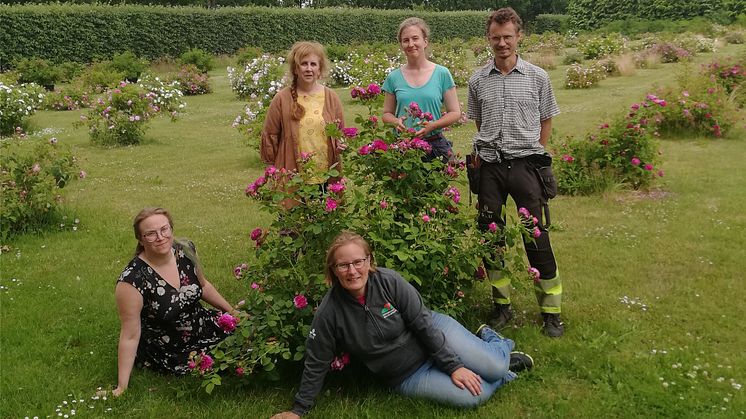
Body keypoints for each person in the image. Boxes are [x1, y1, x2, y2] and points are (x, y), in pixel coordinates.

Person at [271, 231, 533, 418]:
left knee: (495, 365)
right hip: (408, 375)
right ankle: (498, 373)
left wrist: (452, 366)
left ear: (369, 261)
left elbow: (422, 323)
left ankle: (495, 342)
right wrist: (298, 410)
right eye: (343, 265)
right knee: (473, 397)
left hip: (434, 334)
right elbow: (316, 362)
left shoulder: (389, 281)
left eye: (358, 261)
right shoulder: (329, 313)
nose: (352, 271)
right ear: (333, 270)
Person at [467, 7, 564, 337]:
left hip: (525, 166)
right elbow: (479, 122)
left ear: (519, 36)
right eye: (496, 38)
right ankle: (501, 307)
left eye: (508, 36)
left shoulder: (538, 77)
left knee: (535, 236)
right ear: (489, 39)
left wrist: (535, 149)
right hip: (490, 168)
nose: (502, 43)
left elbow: (547, 119)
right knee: (491, 236)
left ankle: (551, 311)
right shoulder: (477, 80)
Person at [111, 207, 235, 396]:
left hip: (201, 324)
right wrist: (122, 387)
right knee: (228, 363)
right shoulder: (132, 281)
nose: (160, 237)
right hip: (170, 346)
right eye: (151, 234)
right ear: (140, 239)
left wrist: (233, 313)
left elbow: (203, 286)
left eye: (164, 229)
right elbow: (129, 335)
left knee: (247, 339)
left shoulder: (185, 250)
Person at [261, 41, 346, 184]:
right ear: (295, 68)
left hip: (326, 172)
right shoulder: (282, 98)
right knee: (296, 206)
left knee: (327, 205)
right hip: (293, 173)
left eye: (313, 64)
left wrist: (341, 144)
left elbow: (340, 132)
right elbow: (270, 134)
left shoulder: (331, 97)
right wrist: (271, 168)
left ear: (320, 69)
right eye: (304, 63)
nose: (308, 69)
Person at [382, 17, 462, 161]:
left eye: (415, 38)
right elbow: (387, 114)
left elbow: (455, 112)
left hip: (435, 145)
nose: (411, 44)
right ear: (401, 45)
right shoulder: (393, 77)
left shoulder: (442, 73)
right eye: (405, 40)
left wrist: (434, 125)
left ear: (425, 41)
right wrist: (395, 122)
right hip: (404, 145)